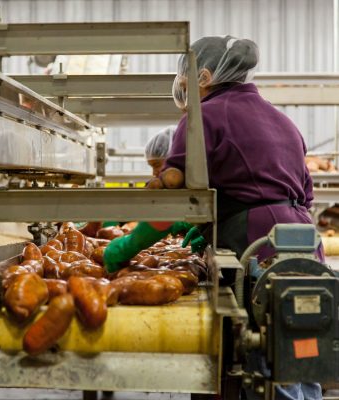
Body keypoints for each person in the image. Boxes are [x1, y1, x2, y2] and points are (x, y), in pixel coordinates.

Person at [104, 35, 322, 400]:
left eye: (186, 80)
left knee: (265, 363)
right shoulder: (283, 121)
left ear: (203, 76)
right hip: (304, 248)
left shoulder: (203, 117)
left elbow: (175, 195)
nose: (183, 89)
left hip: (258, 252)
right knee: (303, 352)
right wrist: (206, 226)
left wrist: (127, 247)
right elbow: (304, 195)